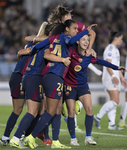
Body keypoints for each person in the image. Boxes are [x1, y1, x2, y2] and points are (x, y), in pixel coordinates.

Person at [24, 20, 96, 149]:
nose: (75, 31)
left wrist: (31, 52)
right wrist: (86, 31)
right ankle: (30, 137)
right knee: (51, 111)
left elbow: (37, 46)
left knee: (54, 110)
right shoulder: (67, 37)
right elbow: (72, 41)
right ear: (67, 29)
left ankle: (54, 141)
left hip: (48, 76)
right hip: (56, 77)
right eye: (74, 29)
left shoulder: (52, 38)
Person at [9, 22, 71, 148]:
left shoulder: (36, 44)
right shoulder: (49, 43)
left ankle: (23, 138)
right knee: (32, 112)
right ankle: (16, 139)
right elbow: (48, 55)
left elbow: (21, 52)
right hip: (35, 77)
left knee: (36, 111)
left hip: (28, 75)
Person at [64, 34, 126, 146]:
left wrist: (117, 68)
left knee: (89, 109)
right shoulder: (70, 50)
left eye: (88, 40)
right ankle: (73, 139)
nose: (86, 42)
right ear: (77, 41)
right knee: (71, 112)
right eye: (83, 39)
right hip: (69, 86)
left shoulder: (89, 56)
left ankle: (88, 137)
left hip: (83, 86)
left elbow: (102, 62)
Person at [94, 31, 127, 130]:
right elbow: (107, 64)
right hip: (110, 78)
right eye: (120, 38)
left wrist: (122, 78)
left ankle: (111, 124)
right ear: (116, 38)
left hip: (115, 77)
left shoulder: (116, 49)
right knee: (116, 100)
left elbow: (117, 66)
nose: (121, 40)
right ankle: (98, 116)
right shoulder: (110, 49)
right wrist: (113, 76)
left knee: (114, 101)